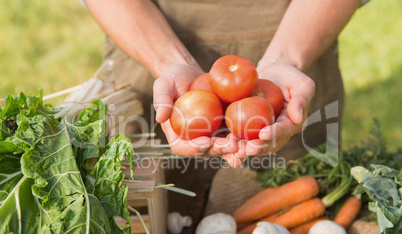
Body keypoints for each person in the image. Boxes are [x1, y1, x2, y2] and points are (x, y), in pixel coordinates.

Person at [81, 0, 364, 210]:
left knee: (294, 201)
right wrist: (169, 62)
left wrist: (287, 57)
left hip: (300, 34)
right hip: (145, 43)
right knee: (151, 215)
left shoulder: (268, 94)